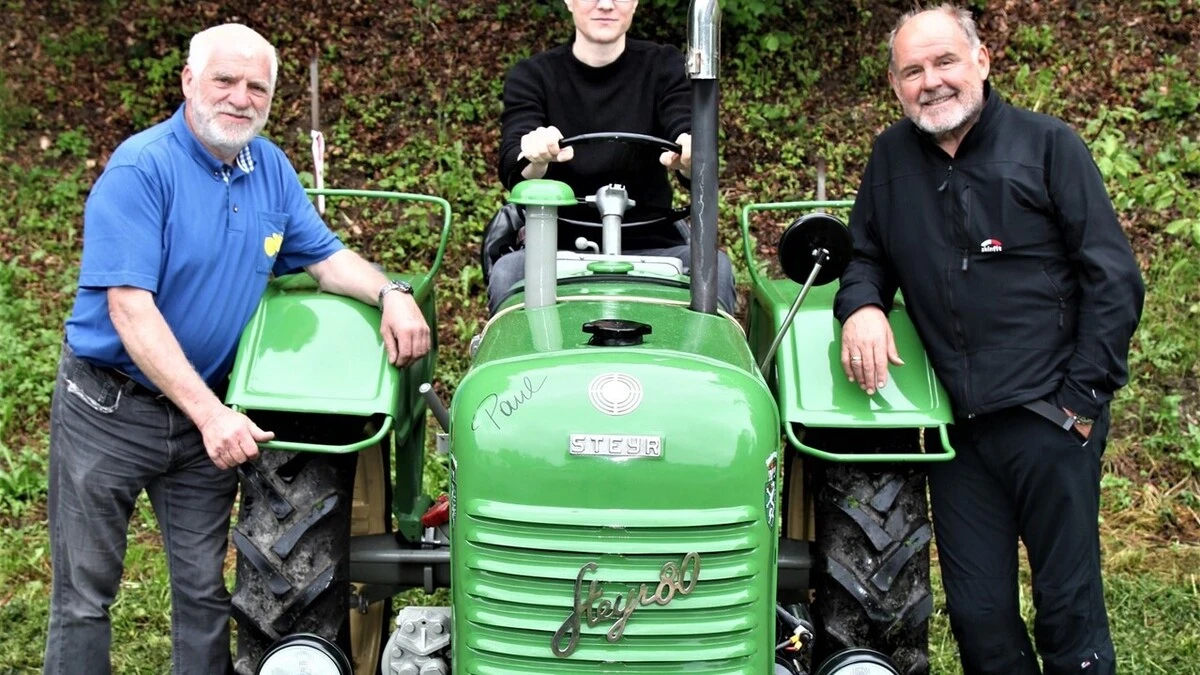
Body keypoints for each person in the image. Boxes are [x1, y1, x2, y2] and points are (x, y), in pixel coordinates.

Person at [43, 23, 430, 675]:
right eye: (225, 80)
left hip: (203, 421)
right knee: (85, 595)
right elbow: (129, 309)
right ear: (189, 81)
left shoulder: (268, 168)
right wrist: (212, 415)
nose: (241, 98)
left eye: (257, 87)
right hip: (110, 410)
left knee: (203, 592)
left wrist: (391, 291)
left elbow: (326, 258)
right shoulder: (142, 169)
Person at [833, 5, 1143, 674]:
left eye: (945, 61)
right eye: (913, 70)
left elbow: (1114, 278)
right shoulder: (890, 158)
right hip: (960, 434)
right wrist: (861, 306)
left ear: (981, 60)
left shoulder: (1048, 145)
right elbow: (864, 257)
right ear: (895, 84)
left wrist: (1080, 401)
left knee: (1067, 607)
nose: (931, 82)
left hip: (1050, 414)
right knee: (978, 616)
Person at [488, 0, 736, 314]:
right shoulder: (534, 75)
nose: (605, 4)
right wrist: (535, 154)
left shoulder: (662, 65)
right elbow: (514, 161)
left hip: (652, 245)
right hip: (554, 247)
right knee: (509, 271)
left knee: (716, 268)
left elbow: (684, 126)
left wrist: (689, 151)